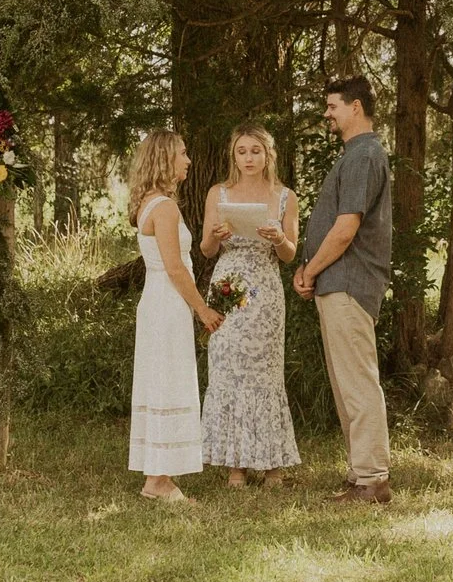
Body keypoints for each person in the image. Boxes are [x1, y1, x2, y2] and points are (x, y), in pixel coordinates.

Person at [294, 76, 395, 504]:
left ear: (356, 107)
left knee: (357, 381)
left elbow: (346, 227)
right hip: (338, 283)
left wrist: (310, 270)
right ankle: (360, 475)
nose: (328, 114)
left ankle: (373, 478)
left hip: (348, 282)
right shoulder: (356, 154)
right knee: (346, 382)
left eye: (333, 105)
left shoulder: (365, 154)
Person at [198, 122, 303, 485]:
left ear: (267, 154)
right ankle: (235, 465)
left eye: (255, 151)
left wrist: (277, 238)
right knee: (228, 366)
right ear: (234, 155)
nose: (248, 158)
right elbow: (206, 250)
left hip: (265, 289)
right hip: (228, 283)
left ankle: (271, 463)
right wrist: (214, 235)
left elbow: (290, 255)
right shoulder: (218, 193)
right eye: (242, 151)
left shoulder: (286, 196)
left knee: (265, 373)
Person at [126, 130, 221, 500]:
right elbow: (175, 267)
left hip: (158, 301)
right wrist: (202, 309)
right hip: (167, 301)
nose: (188, 160)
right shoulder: (164, 207)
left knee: (161, 378)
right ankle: (159, 480)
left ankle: (157, 475)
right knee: (167, 379)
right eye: (182, 153)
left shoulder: (149, 203)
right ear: (166, 159)